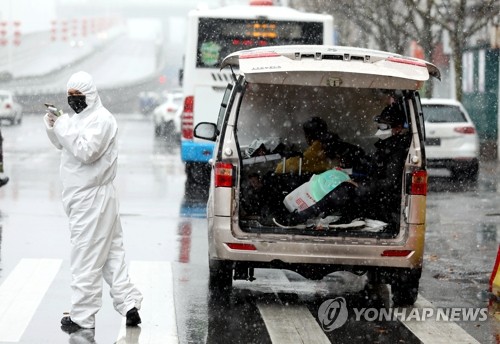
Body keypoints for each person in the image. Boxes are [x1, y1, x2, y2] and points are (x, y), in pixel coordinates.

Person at [43, 71, 143, 331]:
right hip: (88, 198)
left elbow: (86, 151)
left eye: (79, 95)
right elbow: (64, 144)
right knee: (111, 256)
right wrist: (53, 125)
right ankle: (129, 304)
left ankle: (82, 317)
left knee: (85, 257)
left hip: (92, 199)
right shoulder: (79, 119)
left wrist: (62, 126)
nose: (74, 100)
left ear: (91, 94)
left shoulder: (101, 119)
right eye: (70, 96)